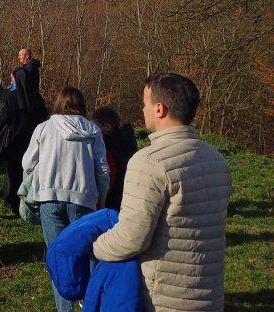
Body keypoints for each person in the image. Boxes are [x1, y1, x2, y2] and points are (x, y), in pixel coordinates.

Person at [93, 73, 232, 311]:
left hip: (164, 297)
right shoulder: (217, 159)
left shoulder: (149, 162)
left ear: (159, 109)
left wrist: (96, 245)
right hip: (209, 295)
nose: (142, 109)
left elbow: (132, 237)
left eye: (145, 104)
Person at [22, 86, 109, 312]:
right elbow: (102, 168)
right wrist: (102, 198)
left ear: (59, 104)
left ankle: (65, 309)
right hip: (84, 198)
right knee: (90, 254)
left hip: (49, 197)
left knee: (59, 258)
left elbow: (27, 163)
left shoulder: (43, 128)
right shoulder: (93, 130)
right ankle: (90, 304)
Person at [0, 51, 48, 215]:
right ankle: (27, 199)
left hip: (15, 138)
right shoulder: (38, 99)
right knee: (28, 170)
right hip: (32, 140)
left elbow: (5, 117)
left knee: (13, 170)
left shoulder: (12, 98)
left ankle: (11, 200)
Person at [90, 106, 137, 211]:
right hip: (127, 198)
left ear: (107, 127)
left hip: (110, 199)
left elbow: (106, 173)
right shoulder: (128, 143)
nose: (92, 131)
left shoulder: (106, 147)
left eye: (95, 127)